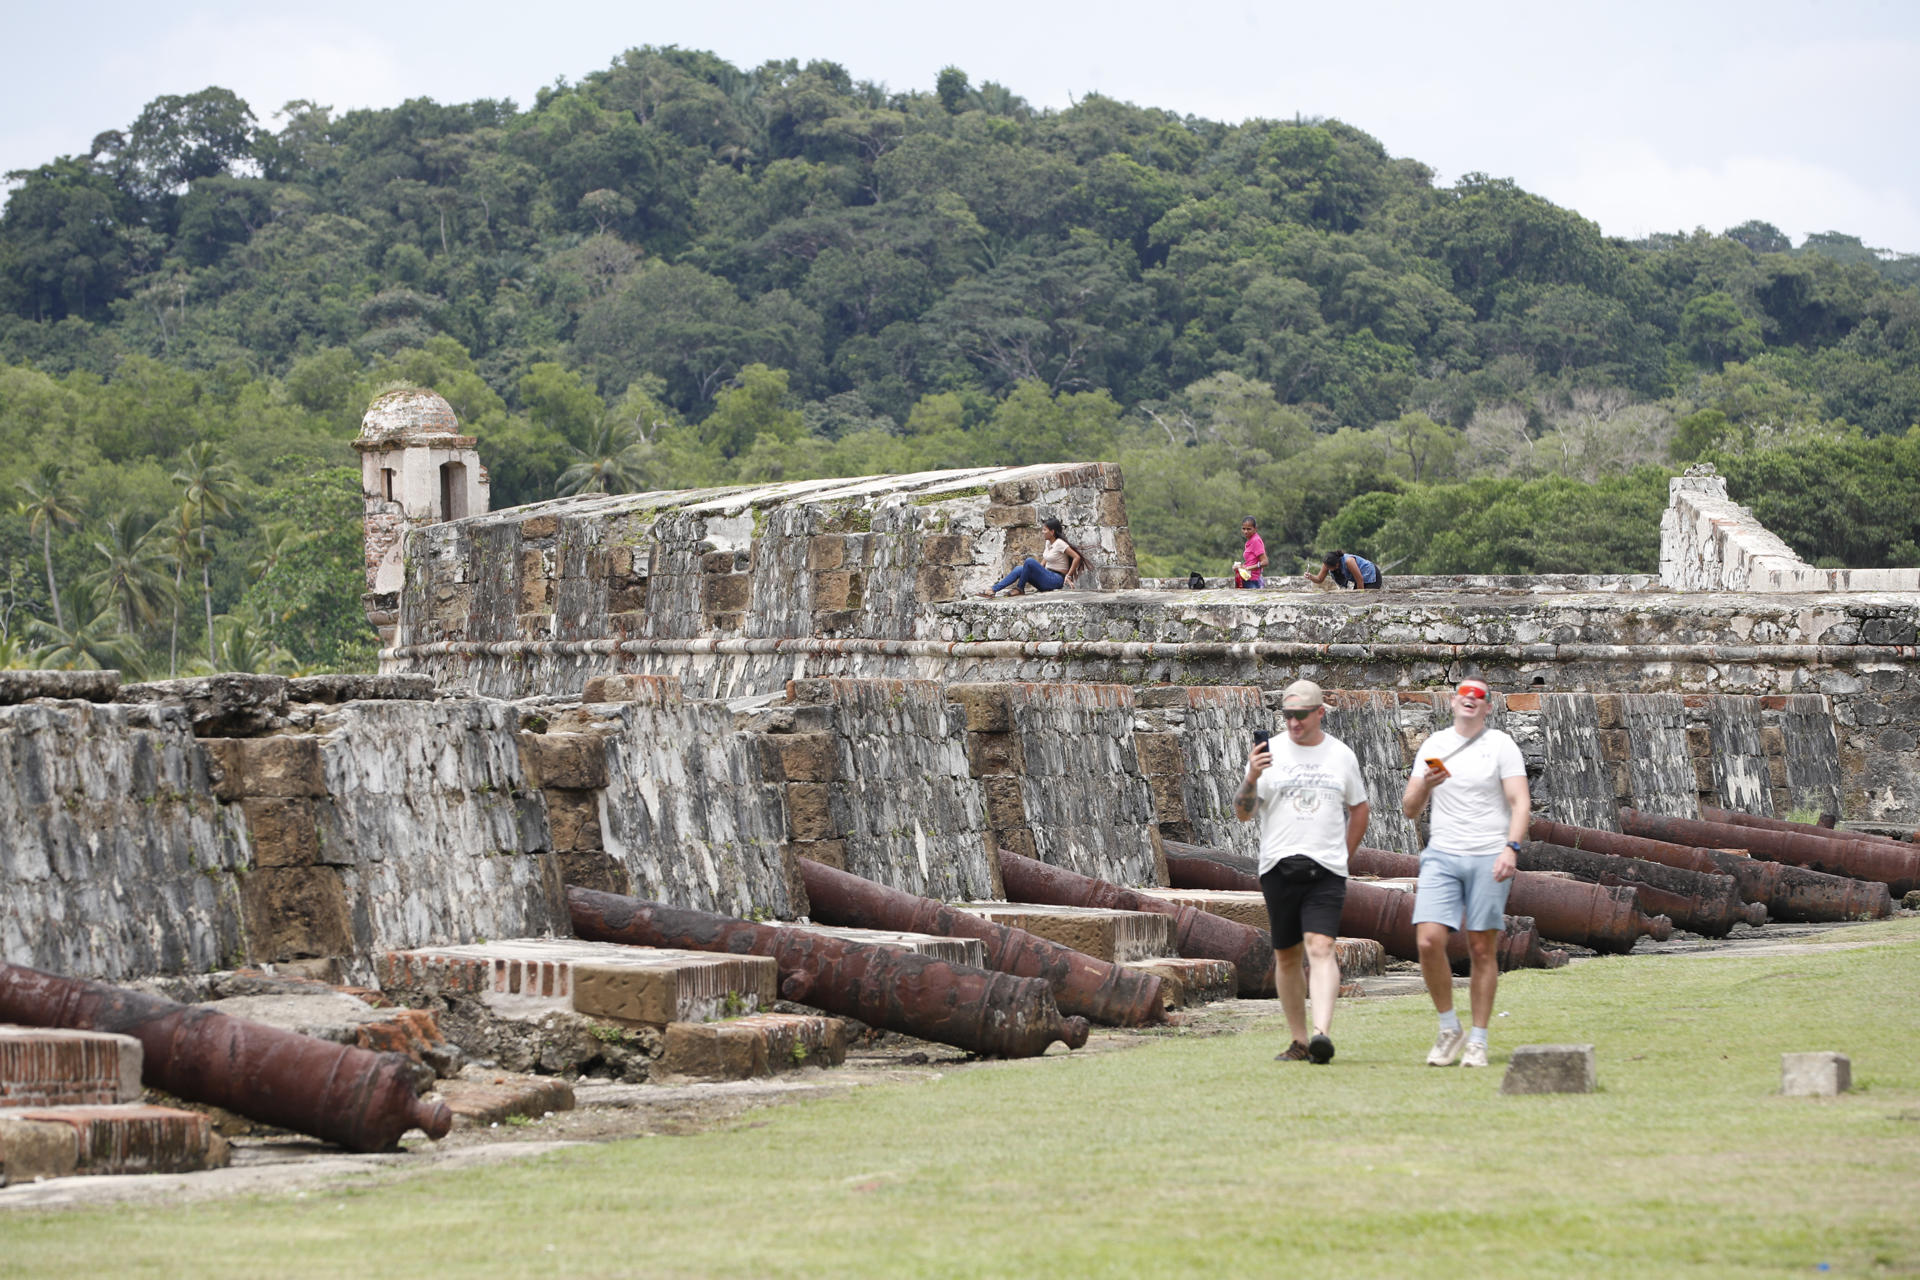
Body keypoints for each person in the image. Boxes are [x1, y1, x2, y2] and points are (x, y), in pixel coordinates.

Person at [1234, 679, 1370, 1065]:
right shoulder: (1269, 752)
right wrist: (1251, 777)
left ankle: (1321, 1033)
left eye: (1301, 716)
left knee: (1322, 947)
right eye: (1288, 716)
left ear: (1320, 713)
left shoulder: (1340, 755)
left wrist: (1344, 856)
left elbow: (1359, 808)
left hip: (1325, 868)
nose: (1293, 723)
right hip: (1278, 864)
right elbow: (1243, 814)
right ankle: (1298, 1040)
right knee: (1288, 955)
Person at [1400, 673, 1530, 1069]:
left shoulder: (1501, 746)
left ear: (1488, 706)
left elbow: (1519, 801)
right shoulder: (1436, 745)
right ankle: (1447, 1026)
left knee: (1480, 947)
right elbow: (1409, 808)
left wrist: (1511, 847)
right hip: (1442, 853)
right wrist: (1426, 783)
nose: (1470, 699)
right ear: (1453, 702)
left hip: (1488, 853)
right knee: (1427, 940)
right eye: (1463, 694)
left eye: (1479, 696)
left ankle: (1478, 1038)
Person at [979, 517, 1085, 597]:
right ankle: (993, 590)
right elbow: (1045, 561)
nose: (1042, 532)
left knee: (1029, 561)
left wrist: (1068, 575)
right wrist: (1035, 570)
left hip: (1056, 580)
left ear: (1052, 532)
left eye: (1045, 530)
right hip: (1047, 577)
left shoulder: (1059, 543)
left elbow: (1077, 557)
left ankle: (1020, 589)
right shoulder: (1048, 543)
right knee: (1019, 569)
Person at [1306, 550, 1382, 591]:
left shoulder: (1349, 561)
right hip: (1360, 579)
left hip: (1372, 576)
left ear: (1337, 565)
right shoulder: (1327, 564)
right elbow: (1319, 579)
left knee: (1364, 599)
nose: (1326, 569)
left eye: (1329, 568)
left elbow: (1360, 581)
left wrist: (1360, 596)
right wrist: (1311, 576)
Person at [1233, 517, 1267, 588]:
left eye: (1249, 529)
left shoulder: (1256, 541)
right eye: (1244, 529)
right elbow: (1251, 561)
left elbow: (1265, 562)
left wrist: (1247, 568)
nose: (1245, 531)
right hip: (1247, 578)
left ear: (1255, 529)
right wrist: (1240, 567)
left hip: (1253, 580)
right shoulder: (1250, 541)